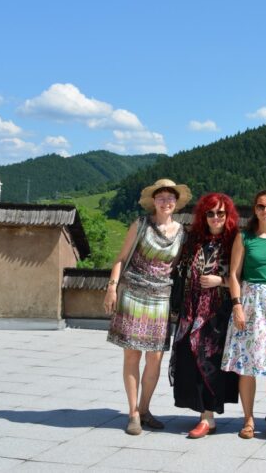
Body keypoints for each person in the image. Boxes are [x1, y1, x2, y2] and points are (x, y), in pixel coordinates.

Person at [104, 178, 190, 435]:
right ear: (153, 201)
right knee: (132, 355)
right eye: (161, 197)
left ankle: (145, 409)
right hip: (133, 292)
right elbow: (121, 258)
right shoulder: (140, 224)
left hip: (161, 297)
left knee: (155, 357)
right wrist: (111, 287)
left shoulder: (182, 232)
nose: (166, 202)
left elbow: (178, 267)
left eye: (170, 198)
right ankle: (132, 412)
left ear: (176, 202)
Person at [222, 189, 266, 439]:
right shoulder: (244, 238)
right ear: (255, 209)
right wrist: (237, 305)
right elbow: (234, 274)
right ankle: (248, 419)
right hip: (250, 303)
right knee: (247, 365)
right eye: (261, 206)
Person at [169, 192, 239, 439]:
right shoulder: (193, 240)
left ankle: (208, 417)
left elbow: (245, 276)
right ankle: (202, 412)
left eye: (221, 213)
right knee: (190, 359)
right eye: (210, 213)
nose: (216, 217)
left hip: (217, 314)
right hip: (191, 310)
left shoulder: (235, 241)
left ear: (228, 215)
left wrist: (221, 281)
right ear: (203, 215)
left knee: (210, 363)